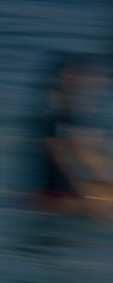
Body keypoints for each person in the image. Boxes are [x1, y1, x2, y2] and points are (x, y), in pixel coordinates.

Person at [26, 55, 113, 217]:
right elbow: (80, 160)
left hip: (52, 197)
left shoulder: (59, 120)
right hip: (60, 199)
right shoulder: (64, 123)